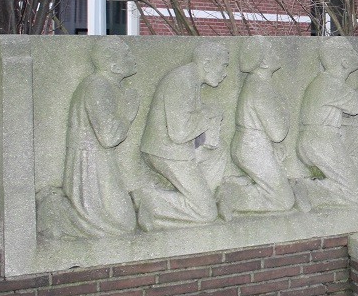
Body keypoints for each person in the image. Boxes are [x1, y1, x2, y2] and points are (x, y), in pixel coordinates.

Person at [136, 42, 228, 230]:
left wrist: (206, 113)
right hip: (166, 152)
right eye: (223, 65)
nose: (225, 73)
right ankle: (149, 200)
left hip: (178, 148)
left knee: (219, 150)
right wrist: (208, 114)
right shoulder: (182, 80)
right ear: (207, 63)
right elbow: (179, 133)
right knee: (207, 213)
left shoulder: (192, 78)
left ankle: (201, 196)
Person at [60, 38, 140, 237]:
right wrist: (128, 114)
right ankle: (57, 214)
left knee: (124, 222)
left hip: (99, 159)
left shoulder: (103, 85)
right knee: (123, 224)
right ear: (113, 65)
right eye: (127, 55)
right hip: (91, 163)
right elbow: (109, 137)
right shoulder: (98, 86)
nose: (132, 58)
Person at [293, 38, 358, 210]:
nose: (355, 54)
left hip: (316, 141)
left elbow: (350, 103)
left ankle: (347, 182)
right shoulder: (331, 85)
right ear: (343, 62)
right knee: (356, 195)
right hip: (322, 143)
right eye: (351, 51)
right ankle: (308, 191)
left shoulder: (324, 81)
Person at [218, 37, 295, 217]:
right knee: (284, 200)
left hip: (252, 145)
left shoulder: (257, 83)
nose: (277, 54)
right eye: (271, 51)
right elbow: (278, 133)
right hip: (252, 149)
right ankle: (232, 198)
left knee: (276, 188)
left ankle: (237, 187)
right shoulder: (260, 88)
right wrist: (285, 109)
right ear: (264, 62)